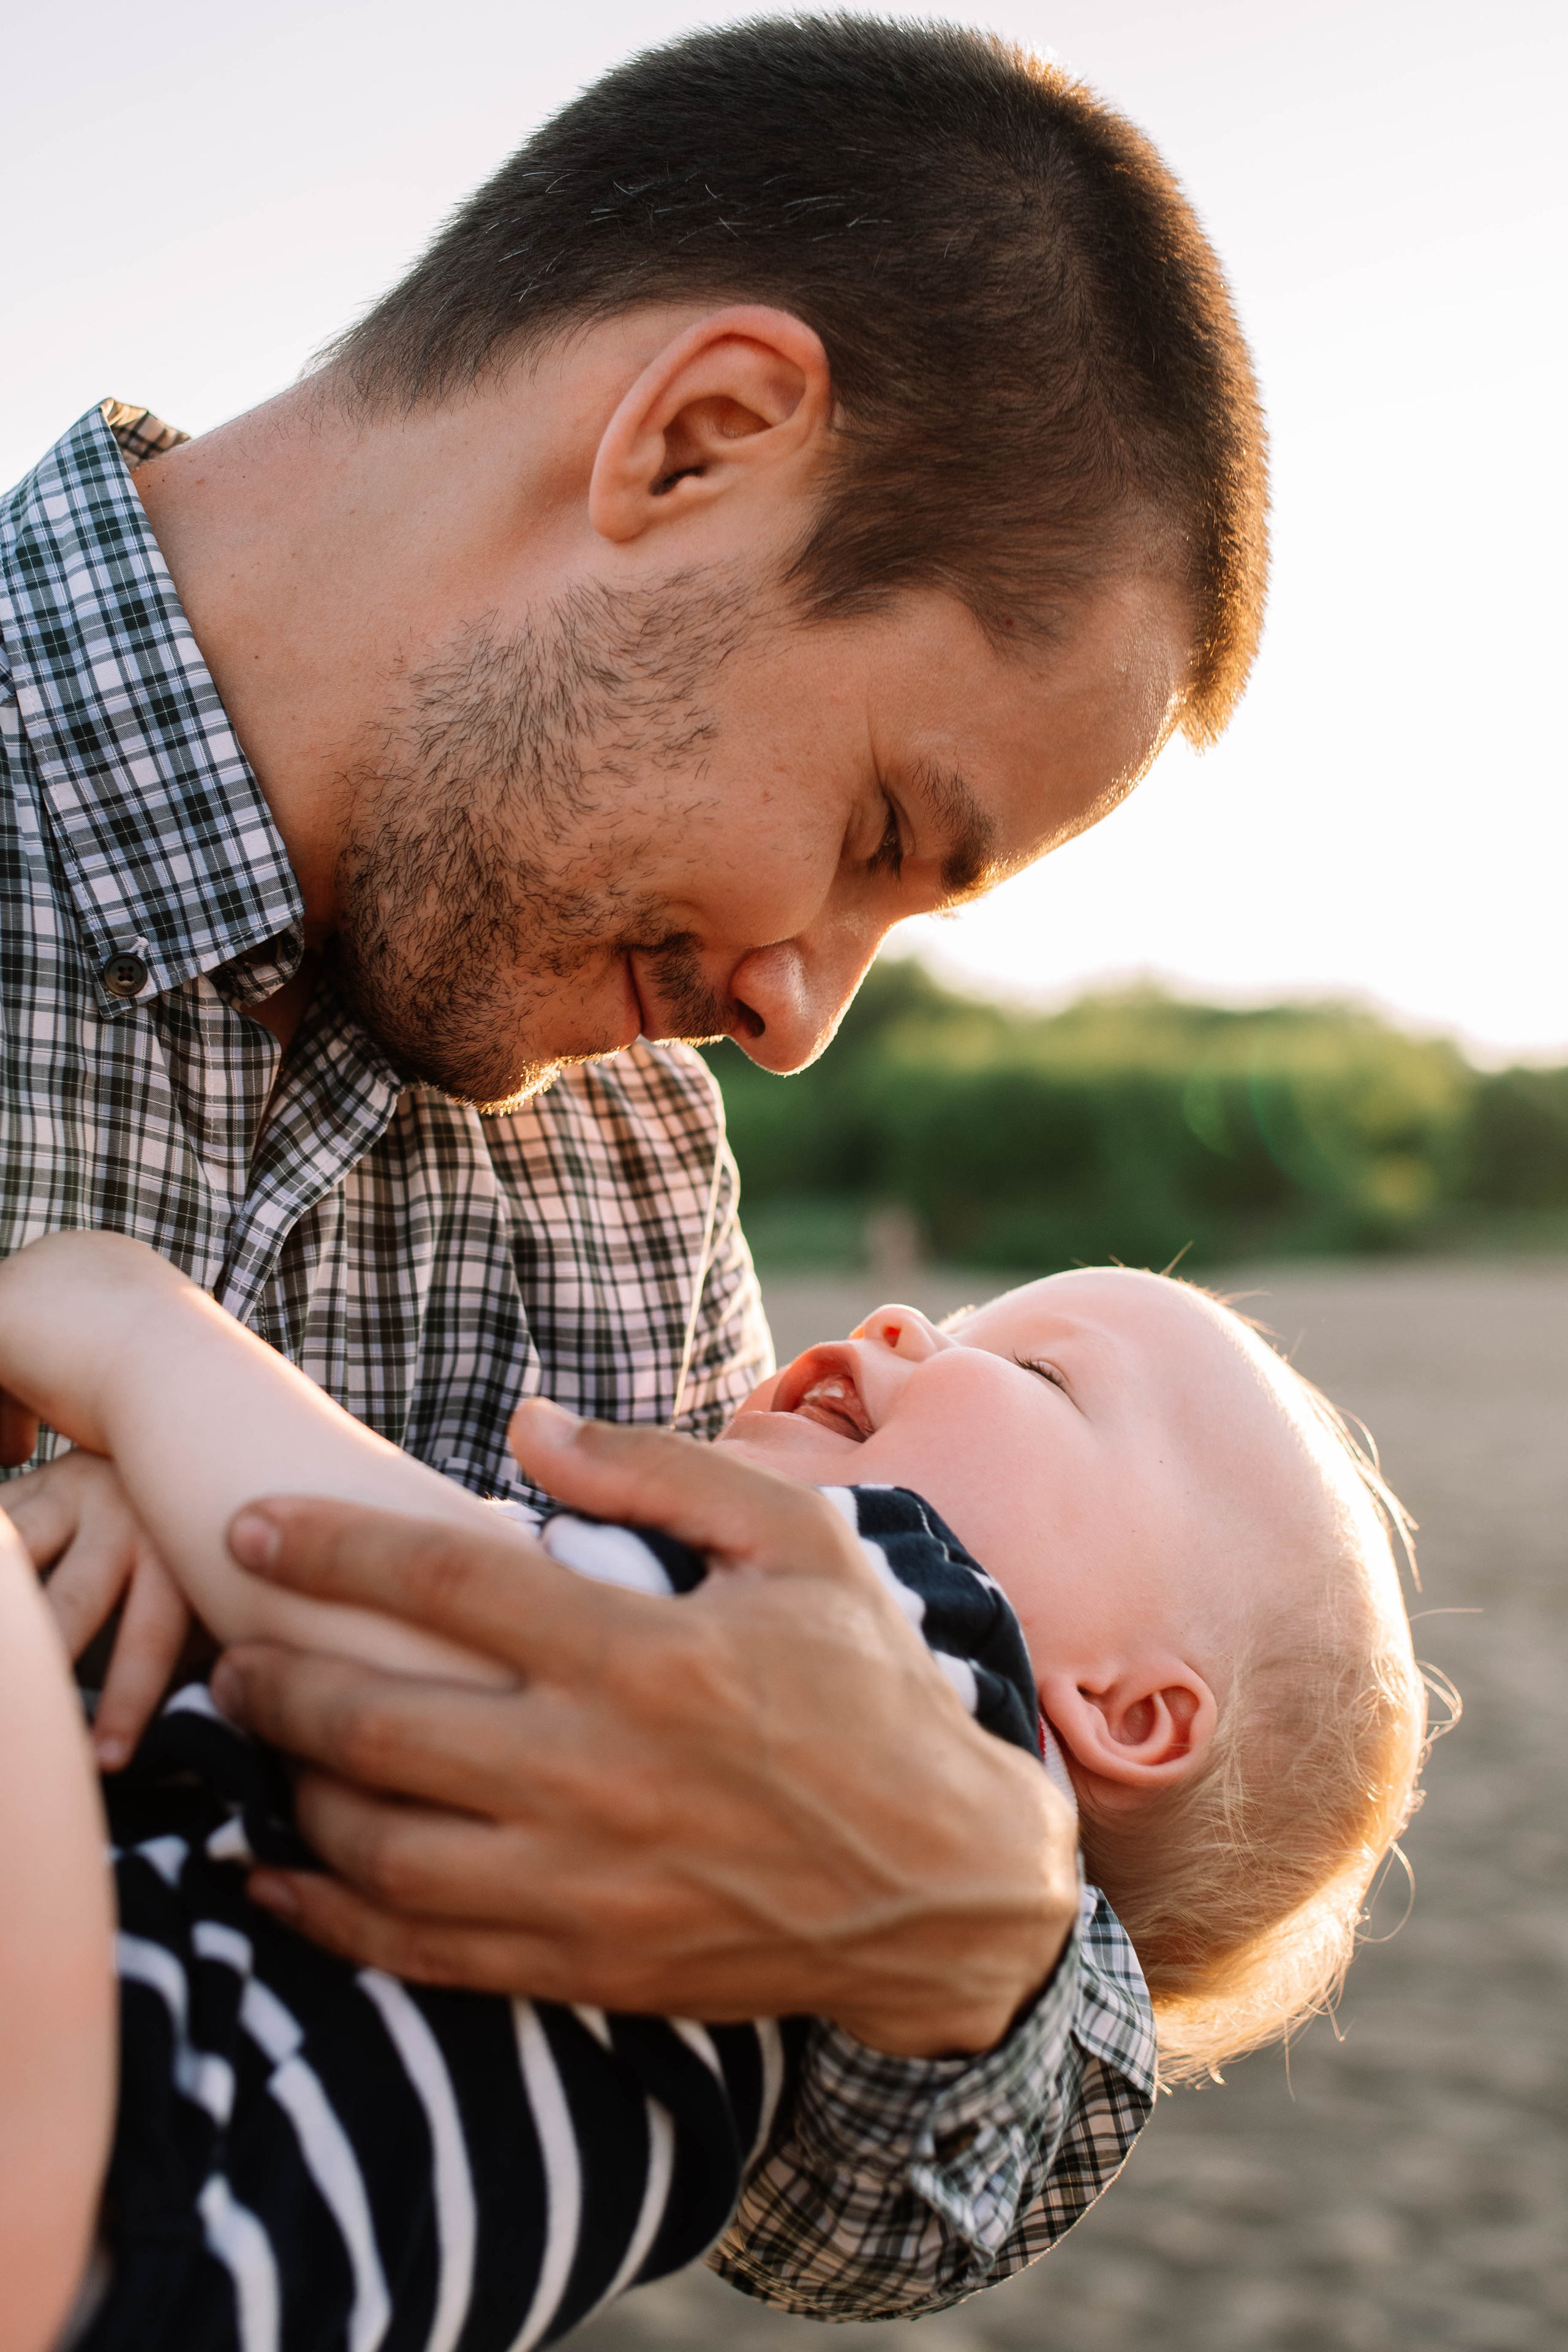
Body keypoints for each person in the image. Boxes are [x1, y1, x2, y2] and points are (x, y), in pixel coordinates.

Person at [0, 14, 1268, 2325]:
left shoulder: (631, 1172)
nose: (806, 1021)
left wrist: (970, 1927)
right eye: (885, 832)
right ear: (693, 444)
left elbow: (829, 2206)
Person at [0, 1231, 1421, 2350]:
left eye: (1037, 1373)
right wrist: (160, 1524)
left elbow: (424, 1624)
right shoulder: (799, 1950)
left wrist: (133, 1340)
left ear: (1123, 1711)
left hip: (138, 2148)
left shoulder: (917, 1645)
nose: (901, 1325)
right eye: (969, 1314)